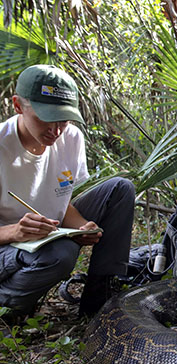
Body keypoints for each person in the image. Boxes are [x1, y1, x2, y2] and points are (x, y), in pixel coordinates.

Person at [0, 65, 135, 323]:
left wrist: (83, 227)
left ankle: (100, 300)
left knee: (120, 189)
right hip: (7, 247)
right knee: (60, 253)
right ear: (18, 106)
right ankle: (8, 307)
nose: (55, 130)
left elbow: (61, 201)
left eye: (63, 119)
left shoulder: (71, 138)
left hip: (45, 234)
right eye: (45, 117)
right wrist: (14, 232)